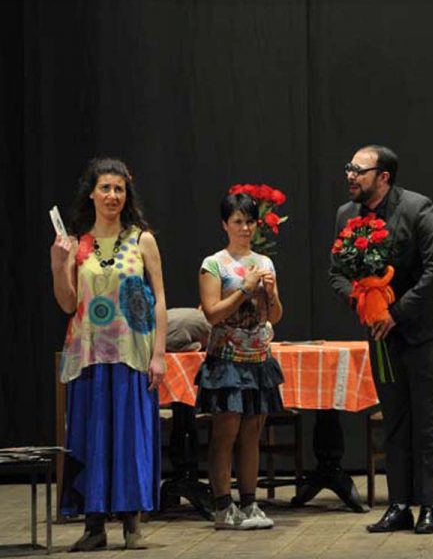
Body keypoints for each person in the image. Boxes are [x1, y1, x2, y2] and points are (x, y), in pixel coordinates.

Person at [330, 144, 433, 534]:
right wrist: (362, 302)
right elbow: (337, 273)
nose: (351, 176)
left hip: (424, 329)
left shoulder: (417, 209)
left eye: (359, 170)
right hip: (380, 332)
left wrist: (394, 313)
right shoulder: (346, 214)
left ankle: (429, 506)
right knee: (395, 420)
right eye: (349, 168)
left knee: (427, 420)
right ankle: (399, 504)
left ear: (383, 177)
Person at [51, 157, 167, 550]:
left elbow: (160, 299)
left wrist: (159, 354)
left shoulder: (142, 239)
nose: (112, 195)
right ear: (92, 193)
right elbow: (68, 303)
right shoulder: (77, 243)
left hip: (133, 353)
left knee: (130, 438)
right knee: (92, 437)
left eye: (119, 189)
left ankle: (132, 523)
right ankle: (94, 525)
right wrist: (59, 264)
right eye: (105, 188)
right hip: (89, 355)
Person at [195, 191, 285, 530]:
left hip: (258, 358)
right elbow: (212, 314)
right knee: (226, 432)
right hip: (227, 360)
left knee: (252, 433)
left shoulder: (265, 263)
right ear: (225, 224)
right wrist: (244, 290)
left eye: (250, 222)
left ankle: (249, 503)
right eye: (238, 221)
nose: (245, 228)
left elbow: (275, 315)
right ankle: (222, 505)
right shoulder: (213, 264)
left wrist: (270, 294)